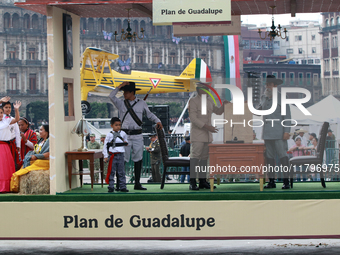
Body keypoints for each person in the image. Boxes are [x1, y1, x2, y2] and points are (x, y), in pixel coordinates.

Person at [109, 81, 163, 190]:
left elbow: (149, 114)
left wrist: (158, 121)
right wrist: (119, 86)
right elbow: (111, 96)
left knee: (138, 159)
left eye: (126, 92)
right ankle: (120, 184)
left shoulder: (141, 103)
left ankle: (137, 183)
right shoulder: (121, 103)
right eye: (123, 91)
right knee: (122, 160)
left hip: (137, 135)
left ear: (132, 92)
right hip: (125, 135)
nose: (124, 94)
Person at [188, 83, 228, 190]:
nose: (208, 90)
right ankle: (192, 182)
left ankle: (202, 181)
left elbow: (218, 112)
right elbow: (193, 118)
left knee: (204, 159)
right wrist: (207, 127)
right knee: (195, 158)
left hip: (207, 135)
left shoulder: (210, 101)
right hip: (198, 135)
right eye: (205, 89)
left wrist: (224, 106)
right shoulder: (193, 101)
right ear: (199, 90)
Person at [258, 75, 291, 189]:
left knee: (282, 157)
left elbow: (287, 116)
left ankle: (286, 181)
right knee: (269, 158)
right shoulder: (264, 97)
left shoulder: (282, 98)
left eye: (270, 85)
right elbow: (258, 111)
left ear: (275, 86)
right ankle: (271, 181)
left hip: (279, 132)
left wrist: (287, 131)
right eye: (266, 85)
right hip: (267, 132)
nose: (268, 87)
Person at [10, 124, 49, 193]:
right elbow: (35, 150)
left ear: (47, 132)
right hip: (35, 159)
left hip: (43, 161)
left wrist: (37, 156)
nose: (39, 132)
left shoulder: (49, 141)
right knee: (23, 165)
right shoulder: (40, 141)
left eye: (41, 130)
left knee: (36, 163)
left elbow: (49, 153)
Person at [102, 117, 128, 193]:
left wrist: (125, 143)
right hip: (112, 155)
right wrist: (106, 156)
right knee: (111, 171)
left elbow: (126, 141)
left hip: (120, 155)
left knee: (121, 172)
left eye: (119, 125)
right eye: (116, 125)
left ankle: (122, 186)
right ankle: (111, 186)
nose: (118, 127)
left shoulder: (123, 134)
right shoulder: (109, 135)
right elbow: (105, 146)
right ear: (112, 125)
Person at [0, 101, 21, 192]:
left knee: (5, 168)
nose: (0, 114)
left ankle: (7, 186)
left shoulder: (7, 120)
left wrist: (16, 110)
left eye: (1, 113)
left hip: (5, 146)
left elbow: (16, 119)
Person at [2, 101, 21, 170]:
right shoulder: (1, 119)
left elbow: (17, 132)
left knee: (12, 161)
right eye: (6, 107)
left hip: (12, 143)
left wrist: (18, 144)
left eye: (9, 107)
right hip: (3, 144)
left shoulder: (11, 118)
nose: (8, 109)